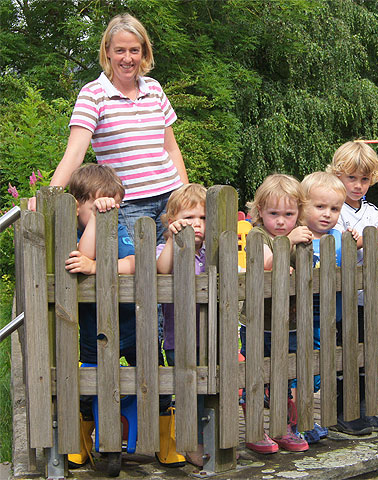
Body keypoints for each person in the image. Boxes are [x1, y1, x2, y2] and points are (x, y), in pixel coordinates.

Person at [64, 164, 184, 469]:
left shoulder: (117, 227)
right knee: (85, 384)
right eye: (99, 205)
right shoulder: (69, 230)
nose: (109, 211)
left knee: (155, 379)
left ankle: (164, 440)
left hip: (133, 326)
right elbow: (84, 253)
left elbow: (133, 262)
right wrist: (95, 224)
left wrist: (97, 267)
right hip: (94, 331)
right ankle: (82, 438)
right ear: (76, 205)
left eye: (114, 206)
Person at [32, 13, 187, 244]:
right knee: (135, 272)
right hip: (128, 204)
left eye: (134, 50)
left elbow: (171, 148)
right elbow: (75, 154)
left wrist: (185, 195)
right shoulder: (92, 94)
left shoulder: (154, 89)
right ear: (107, 51)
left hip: (169, 198)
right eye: (120, 50)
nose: (128, 58)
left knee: (178, 269)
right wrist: (49, 194)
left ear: (144, 52)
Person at [240, 174, 313, 453]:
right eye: (273, 214)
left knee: (286, 375)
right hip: (260, 322)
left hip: (291, 322)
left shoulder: (299, 235)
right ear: (260, 211)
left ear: (299, 213)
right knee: (255, 375)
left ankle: (284, 428)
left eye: (289, 214)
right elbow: (266, 264)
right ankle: (256, 430)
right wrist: (289, 243)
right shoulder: (258, 236)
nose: (281, 221)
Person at [328, 141, 378, 435]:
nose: (357, 185)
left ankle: (368, 409)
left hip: (371, 295)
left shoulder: (372, 210)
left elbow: (377, 251)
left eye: (364, 179)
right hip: (345, 296)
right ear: (338, 175)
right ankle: (345, 411)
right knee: (347, 356)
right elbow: (335, 244)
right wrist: (370, 237)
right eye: (351, 178)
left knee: (370, 354)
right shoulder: (334, 209)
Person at [155, 183, 207, 466]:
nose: (197, 225)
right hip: (180, 338)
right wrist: (176, 240)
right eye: (189, 218)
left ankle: (210, 438)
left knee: (210, 391)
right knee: (188, 394)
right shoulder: (166, 247)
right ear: (172, 220)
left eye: (203, 218)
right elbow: (163, 269)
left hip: (211, 336)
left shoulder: (212, 249)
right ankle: (191, 443)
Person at [298, 171, 345, 443]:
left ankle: (306, 418)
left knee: (319, 372)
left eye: (335, 208)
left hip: (329, 318)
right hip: (301, 318)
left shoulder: (338, 237)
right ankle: (301, 422)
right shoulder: (298, 236)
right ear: (303, 206)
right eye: (320, 207)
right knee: (301, 372)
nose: (328, 214)